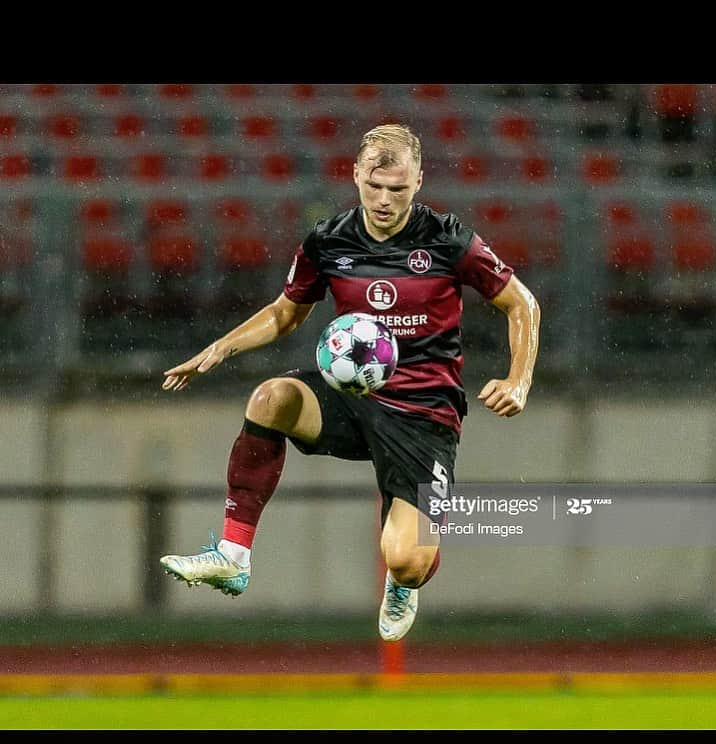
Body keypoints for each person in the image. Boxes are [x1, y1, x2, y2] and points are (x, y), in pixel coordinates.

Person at [160, 123, 541, 642]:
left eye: (399, 189)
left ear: (420, 181)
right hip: (352, 397)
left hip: (424, 414)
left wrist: (519, 379)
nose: (384, 200)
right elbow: (285, 313)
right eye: (375, 186)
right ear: (356, 174)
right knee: (272, 398)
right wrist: (222, 346)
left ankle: (405, 583)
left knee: (405, 559)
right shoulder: (328, 239)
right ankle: (232, 554)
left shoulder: (449, 239)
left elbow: (521, 303)